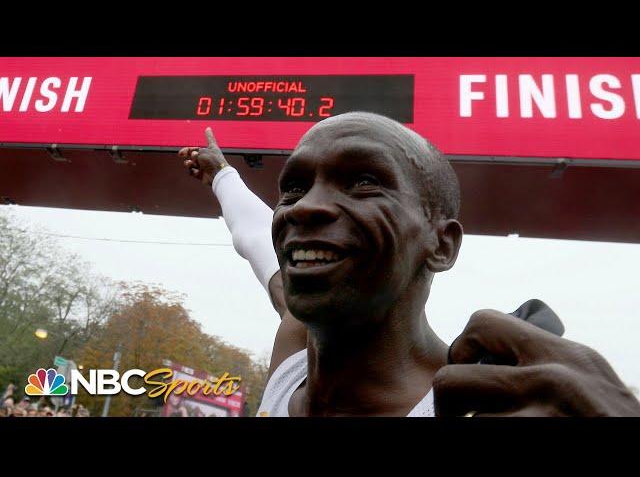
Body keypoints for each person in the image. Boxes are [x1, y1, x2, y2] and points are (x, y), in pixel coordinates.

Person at [179, 113, 640, 416]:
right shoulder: (291, 365)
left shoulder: (483, 404)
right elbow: (258, 238)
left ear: (442, 244)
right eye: (294, 187)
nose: (302, 209)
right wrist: (222, 175)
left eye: (363, 182)